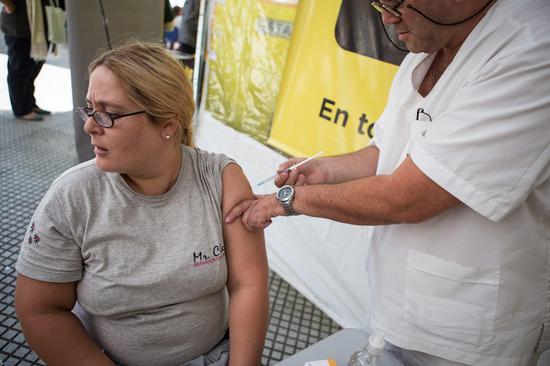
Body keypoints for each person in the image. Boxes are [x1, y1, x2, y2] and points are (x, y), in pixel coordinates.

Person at [226, 0, 550, 365]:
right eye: (377, 3)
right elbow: (389, 148)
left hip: (468, 329)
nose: (385, 17)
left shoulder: (534, 47)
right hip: (397, 306)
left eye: (395, 2)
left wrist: (287, 200)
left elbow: (410, 198)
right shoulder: (426, 45)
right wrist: (327, 170)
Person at [15, 41, 269, 366]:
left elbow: (249, 283)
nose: (89, 126)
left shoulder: (221, 179)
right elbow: (40, 309)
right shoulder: (72, 197)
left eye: (108, 114)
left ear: (168, 125)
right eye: (90, 109)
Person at [0, 0, 51, 121]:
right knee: (20, 68)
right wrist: (9, 5)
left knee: (33, 67)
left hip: (39, 22)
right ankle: (21, 109)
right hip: (19, 23)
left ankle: (29, 104)